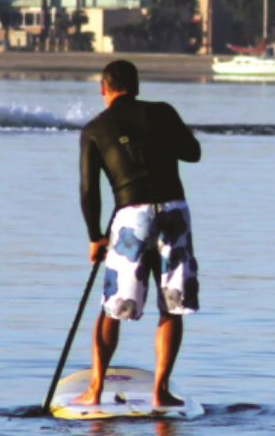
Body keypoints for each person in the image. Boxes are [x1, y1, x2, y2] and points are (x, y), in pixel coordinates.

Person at [76, 59, 202, 407]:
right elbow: (193, 153)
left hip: (131, 217)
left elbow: (89, 190)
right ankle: (160, 392)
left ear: (103, 89)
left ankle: (95, 389)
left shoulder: (95, 129)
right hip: (173, 211)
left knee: (112, 308)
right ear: (137, 86)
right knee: (171, 307)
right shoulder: (163, 111)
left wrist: (95, 236)